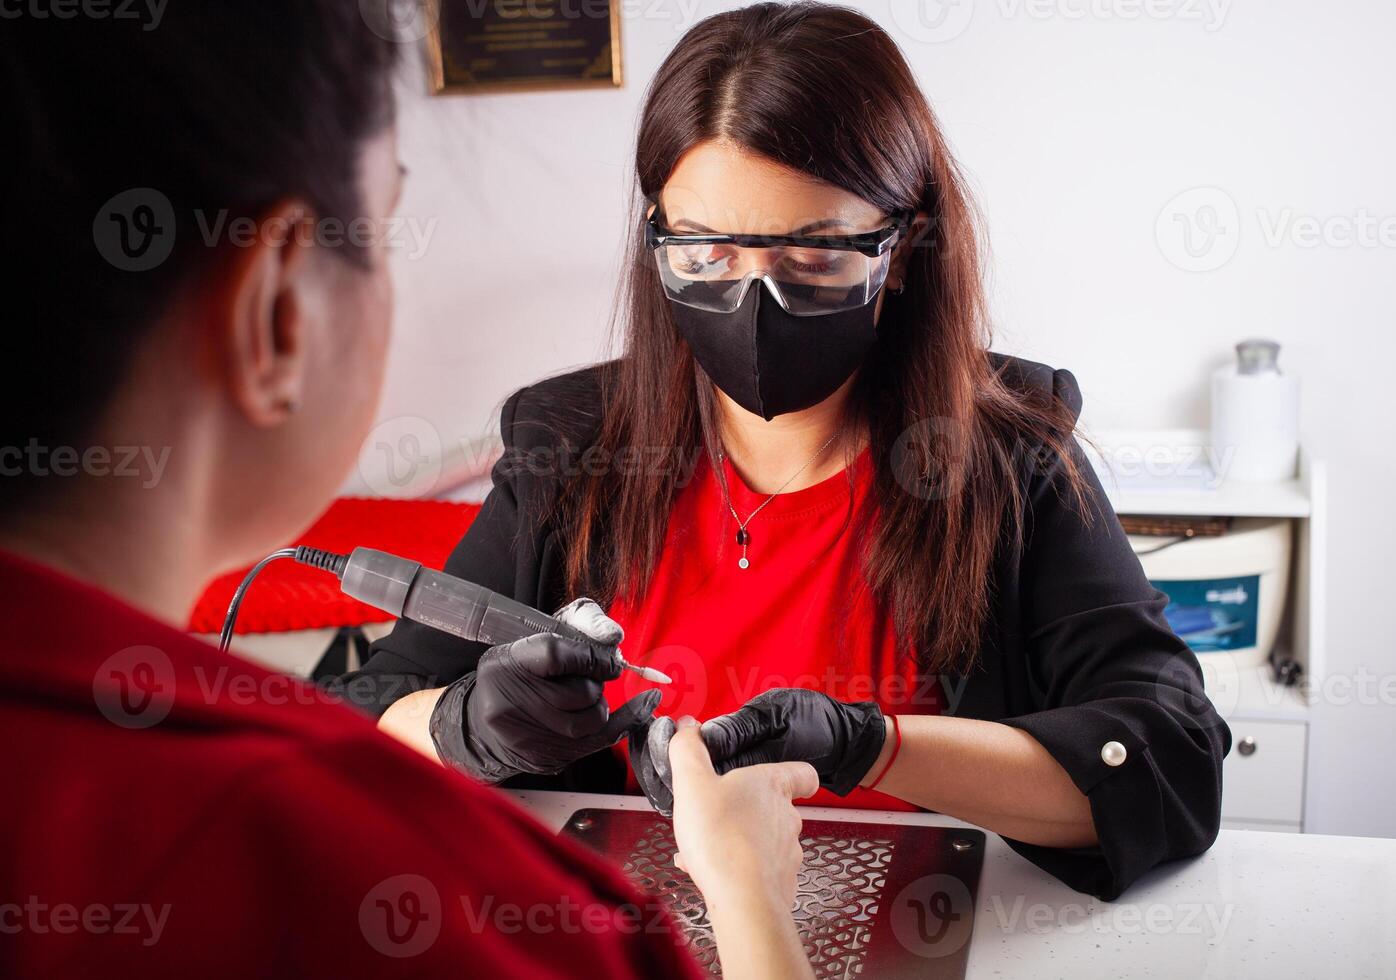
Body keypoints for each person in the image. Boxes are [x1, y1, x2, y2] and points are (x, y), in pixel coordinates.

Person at [0, 5, 817, 978]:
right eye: (381, 225)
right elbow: (373, 701)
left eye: (813, 257)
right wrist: (755, 898)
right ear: (278, 308)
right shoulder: (458, 901)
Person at [356, 1, 1232, 902]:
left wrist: (870, 746)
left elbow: (1172, 760)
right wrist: (471, 727)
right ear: (657, 232)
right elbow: (366, 709)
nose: (754, 303)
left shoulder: (1009, 460)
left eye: (817, 257)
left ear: (905, 245)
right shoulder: (571, 445)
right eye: (704, 254)